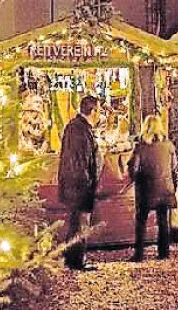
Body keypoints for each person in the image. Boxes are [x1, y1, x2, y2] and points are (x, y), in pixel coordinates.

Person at [127, 114, 178, 261]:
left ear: (146, 128)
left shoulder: (141, 147)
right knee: (163, 220)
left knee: (141, 220)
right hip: (165, 189)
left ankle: (139, 254)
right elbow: (174, 169)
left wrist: (135, 180)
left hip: (146, 189)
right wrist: (175, 186)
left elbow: (134, 168)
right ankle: (164, 253)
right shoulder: (169, 146)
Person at [58, 95, 102, 270]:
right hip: (79, 186)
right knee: (80, 223)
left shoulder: (75, 128)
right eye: (99, 110)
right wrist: (88, 184)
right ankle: (77, 260)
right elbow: (81, 161)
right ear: (92, 111)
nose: (100, 114)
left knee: (76, 223)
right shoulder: (81, 131)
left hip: (73, 184)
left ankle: (72, 258)